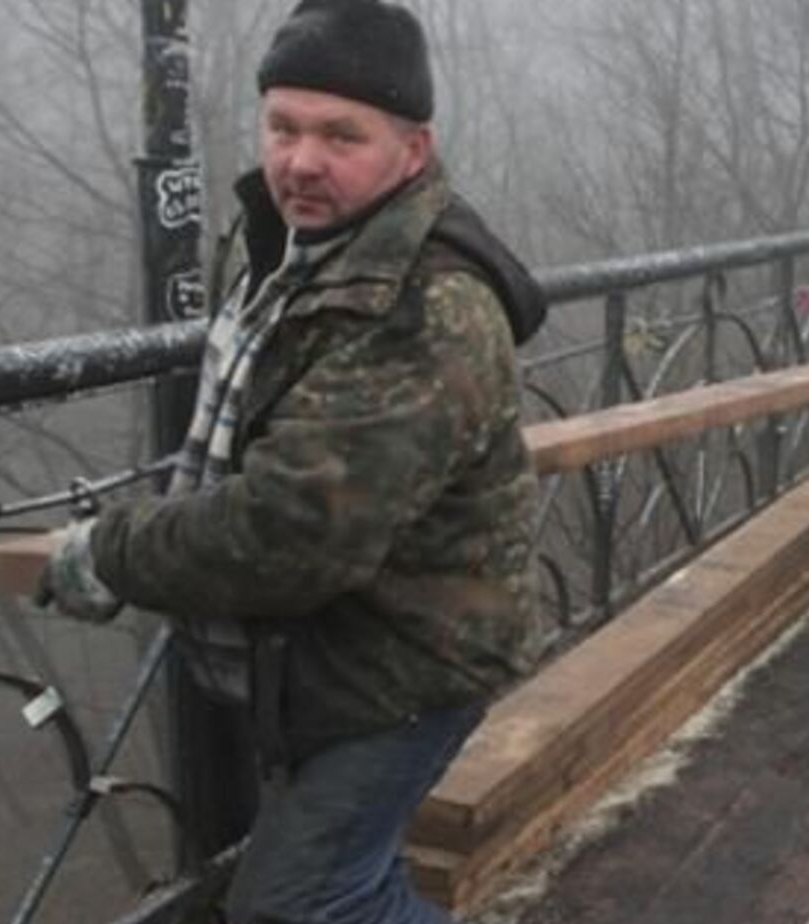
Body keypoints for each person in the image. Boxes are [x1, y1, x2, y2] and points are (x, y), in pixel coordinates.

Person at [34, 2, 549, 921]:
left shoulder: (423, 304)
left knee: (299, 903)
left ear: (413, 150)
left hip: (402, 662)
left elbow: (293, 532)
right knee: (345, 877)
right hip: (334, 651)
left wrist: (108, 551)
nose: (301, 161)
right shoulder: (297, 244)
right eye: (284, 127)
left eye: (341, 135)